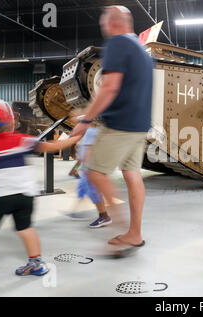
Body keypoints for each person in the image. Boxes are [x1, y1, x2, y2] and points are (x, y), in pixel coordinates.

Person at [71, 6, 153, 249]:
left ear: (113, 24)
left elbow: (109, 87)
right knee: (132, 175)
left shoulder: (118, 44)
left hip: (120, 124)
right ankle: (134, 233)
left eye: (104, 23)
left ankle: (120, 227)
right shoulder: (142, 50)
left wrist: (86, 120)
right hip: (139, 125)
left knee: (94, 172)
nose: (104, 28)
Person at [0, 102, 81, 276]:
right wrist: (77, 137)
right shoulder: (21, 140)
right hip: (25, 195)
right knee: (25, 228)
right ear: (9, 122)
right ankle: (36, 264)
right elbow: (53, 147)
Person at [75, 121, 111, 228]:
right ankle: (102, 215)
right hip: (90, 168)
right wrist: (76, 168)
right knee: (86, 190)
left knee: (93, 191)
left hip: (90, 169)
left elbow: (88, 151)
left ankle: (104, 216)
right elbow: (82, 154)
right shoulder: (89, 132)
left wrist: (88, 170)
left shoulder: (91, 132)